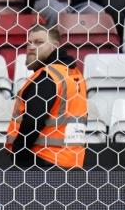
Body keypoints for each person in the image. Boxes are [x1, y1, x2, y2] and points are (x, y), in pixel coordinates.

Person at [6, 25, 88, 169]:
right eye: (29, 43)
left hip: (42, 161)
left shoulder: (48, 77)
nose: (31, 47)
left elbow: (33, 120)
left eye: (39, 42)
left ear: (55, 46)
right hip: (72, 160)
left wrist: (18, 152)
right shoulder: (74, 74)